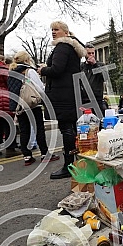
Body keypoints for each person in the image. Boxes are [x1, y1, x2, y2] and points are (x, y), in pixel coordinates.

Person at [38, 21, 86, 179]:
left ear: (65, 32)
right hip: (71, 93)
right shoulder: (72, 48)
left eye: (56, 29)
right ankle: (76, 163)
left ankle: (68, 166)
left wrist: (42, 69)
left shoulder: (62, 47)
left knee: (66, 129)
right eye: (52, 29)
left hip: (62, 95)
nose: (53, 32)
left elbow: (57, 69)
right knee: (71, 128)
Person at [8, 51, 59, 166]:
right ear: (26, 60)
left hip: (19, 105)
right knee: (38, 129)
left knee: (24, 130)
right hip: (32, 104)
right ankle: (44, 153)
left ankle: (27, 156)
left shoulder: (11, 72)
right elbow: (39, 87)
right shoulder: (29, 71)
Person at [81, 43, 106, 117]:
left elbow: (105, 78)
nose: (91, 55)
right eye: (89, 53)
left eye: (93, 53)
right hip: (84, 100)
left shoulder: (100, 65)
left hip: (96, 99)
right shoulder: (81, 66)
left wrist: (95, 65)